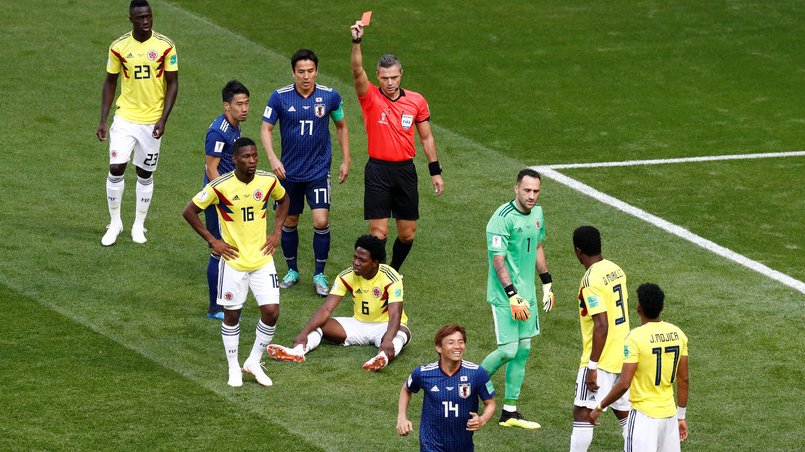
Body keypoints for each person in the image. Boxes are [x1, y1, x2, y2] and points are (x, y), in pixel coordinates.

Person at [183, 137, 290, 388]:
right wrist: (213, 241)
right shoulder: (220, 186)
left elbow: (284, 200)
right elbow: (189, 211)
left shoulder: (267, 180)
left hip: (262, 258)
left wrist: (276, 232)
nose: (252, 161)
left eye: (254, 156)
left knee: (272, 312)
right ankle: (233, 367)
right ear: (234, 160)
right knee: (232, 315)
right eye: (246, 157)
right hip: (233, 261)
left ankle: (253, 361)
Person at [349, 20, 445, 272]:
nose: (389, 82)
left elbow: (426, 137)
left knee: (407, 234)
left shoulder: (416, 101)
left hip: (405, 171)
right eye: (384, 77)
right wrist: (357, 42)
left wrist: (435, 171)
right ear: (377, 76)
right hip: (378, 171)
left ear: (401, 74)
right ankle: (379, 277)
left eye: (394, 77)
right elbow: (357, 71)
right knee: (378, 234)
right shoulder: (369, 96)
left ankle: (393, 270)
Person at [260, 49, 350, 296]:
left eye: (310, 71)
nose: (306, 76)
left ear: (316, 71)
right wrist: (272, 158)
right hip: (289, 174)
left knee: (321, 221)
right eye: (301, 71)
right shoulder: (279, 97)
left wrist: (346, 159)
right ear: (293, 72)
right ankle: (292, 270)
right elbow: (266, 129)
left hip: (318, 171)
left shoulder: (330, 96)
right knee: (290, 221)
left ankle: (319, 274)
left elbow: (341, 126)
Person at [97, 0, 179, 246]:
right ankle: (115, 223)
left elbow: (173, 83)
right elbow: (110, 82)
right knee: (116, 168)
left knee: (145, 173)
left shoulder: (165, 46)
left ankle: (138, 225)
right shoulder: (119, 47)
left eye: (149, 17)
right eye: (141, 18)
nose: (146, 22)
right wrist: (103, 118)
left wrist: (163, 119)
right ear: (131, 19)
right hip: (125, 118)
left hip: (152, 121)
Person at [266, 234, 410, 371]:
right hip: (358, 324)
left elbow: (395, 314)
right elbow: (326, 309)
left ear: (375, 263)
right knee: (320, 324)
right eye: (355, 257)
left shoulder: (391, 277)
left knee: (403, 333)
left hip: (385, 326)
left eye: (362, 260)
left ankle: (382, 357)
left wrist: (388, 339)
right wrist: (304, 333)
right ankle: (298, 351)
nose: (356, 263)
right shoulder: (346, 276)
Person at [480, 168, 555, 429]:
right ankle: (468, 384)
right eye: (527, 190)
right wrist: (511, 295)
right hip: (505, 297)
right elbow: (498, 260)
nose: (532, 196)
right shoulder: (501, 219)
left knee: (523, 351)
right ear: (516, 189)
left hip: (528, 295)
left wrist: (547, 283)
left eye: (536, 191)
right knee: (507, 350)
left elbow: (537, 245)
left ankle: (509, 412)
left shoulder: (538, 213)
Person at [590, 283, 689, 452]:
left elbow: (624, 383)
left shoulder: (635, 337)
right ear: (662, 307)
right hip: (670, 417)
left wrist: (599, 407)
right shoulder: (678, 334)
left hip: (644, 418)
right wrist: (681, 416)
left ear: (638, 308)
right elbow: (684, 379)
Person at [570, 226, 631, 451]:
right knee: (625, 413)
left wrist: (592, 366)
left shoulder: (590, 280)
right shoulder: (616, 269)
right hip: (623, 356)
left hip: (602, 358)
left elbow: (602, 324)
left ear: (578, 251)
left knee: (583, 413)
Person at [397, 324, 496, 452]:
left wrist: (482, 419)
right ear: (439, 347)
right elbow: (406, 389)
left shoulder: (476, 373)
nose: (457, 347)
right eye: (451, 342)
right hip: (431, 444)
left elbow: (491, 403)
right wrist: (402, 417)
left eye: (461, 342)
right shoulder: (423, 373)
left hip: (463, 446)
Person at [200, 80, 250, 321]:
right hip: (218, 198)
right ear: (226, 106)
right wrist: (228, 198)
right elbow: (212, 169)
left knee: (231, 248)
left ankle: (227, 298)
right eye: (239, 104)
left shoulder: (234, 125)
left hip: (228, 194)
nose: (245, 108)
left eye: (247, 103)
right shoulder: (219, 132)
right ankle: (215, 307)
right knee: (219, 249)